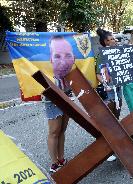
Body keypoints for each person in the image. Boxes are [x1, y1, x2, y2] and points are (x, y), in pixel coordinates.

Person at [46, 36, 74, 173]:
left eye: (68, 55)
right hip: (52, 99)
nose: (63, 60)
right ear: (51, 58)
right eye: (57, 56)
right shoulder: (46, 74)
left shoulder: (70, 72)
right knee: (54, 131)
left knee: (62, 129)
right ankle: (54, 163)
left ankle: (61, 158)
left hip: (67, 96)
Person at [96, 28, 123, 161]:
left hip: (118, 89)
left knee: (116, 116)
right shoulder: (102, 55)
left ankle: (116, 145)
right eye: (110, 39)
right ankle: (109, 149)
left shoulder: (118, 51)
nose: (114, 40)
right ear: (105, 42)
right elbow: (98, 74)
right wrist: (106, 85)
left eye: (114, 38)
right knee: (109, 120)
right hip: (109, 91)